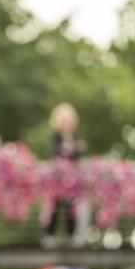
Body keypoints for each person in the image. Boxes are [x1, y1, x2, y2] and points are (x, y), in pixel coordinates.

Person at [43, 102, 86, 248]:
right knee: (53, 205)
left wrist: (72, 149)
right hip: (57, 178)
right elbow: (53, 153)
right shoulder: (55, 135)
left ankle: (71, 236)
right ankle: (50, 235)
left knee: (72, 207)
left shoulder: (75, 135)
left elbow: (78, 154)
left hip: (72, 179)